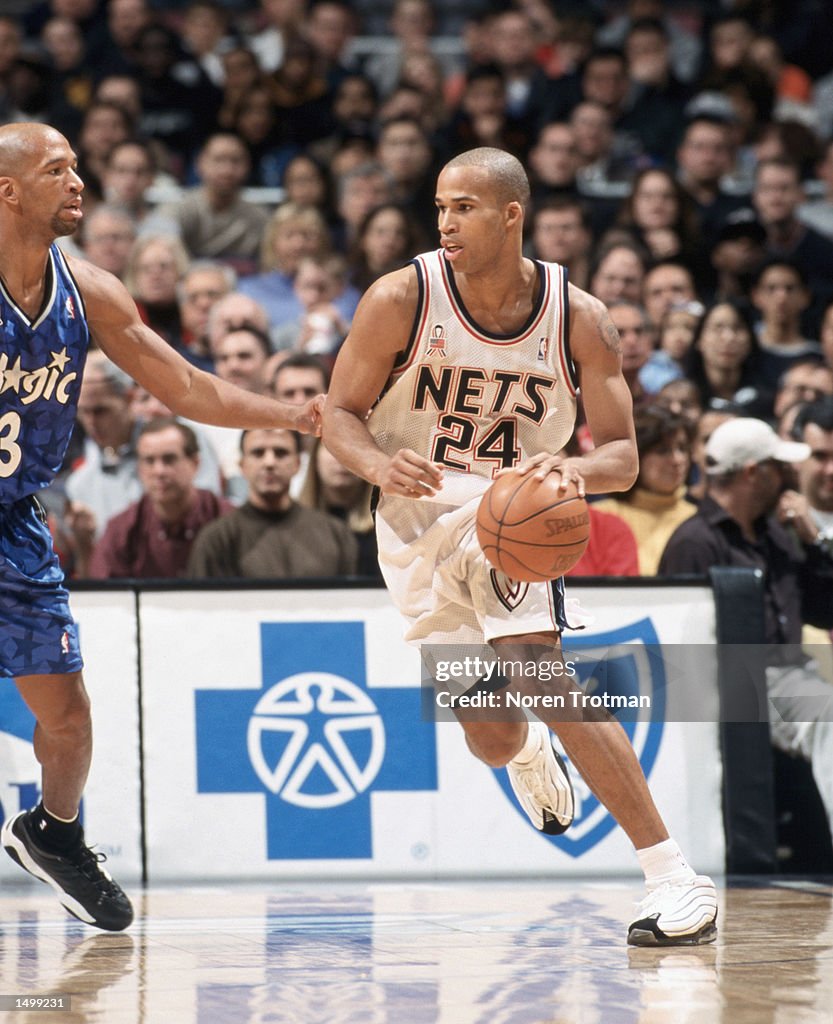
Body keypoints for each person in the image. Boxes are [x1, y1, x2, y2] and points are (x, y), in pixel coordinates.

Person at [322, 146, 718, 946]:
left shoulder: (579, 318)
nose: (444, 223)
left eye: (463, 207)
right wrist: (372, 462)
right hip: (412, 520)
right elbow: (337, 411)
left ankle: (673, 877)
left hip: (510, 516)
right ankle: (530, 746)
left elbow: (622, 457)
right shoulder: (401, 297)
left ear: (511, 214)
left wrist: (566, 472)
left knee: (541, 667)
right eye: (439, 207)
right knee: (491, 732)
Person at [0, 122, 321, 933]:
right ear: (8, 192)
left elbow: (184, 386)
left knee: (67, 717)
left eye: (78, 166)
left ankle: (54, 833)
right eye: (57, 170)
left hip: (12, 524)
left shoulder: (90, 291)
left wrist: (295, 412)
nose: (79, 182)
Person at [658, 417, 833, 841]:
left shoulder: (778, 532)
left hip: (791, 675)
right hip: (739, 685)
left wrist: (814, 544)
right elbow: (680, 649)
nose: (790, 475)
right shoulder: (695, 542)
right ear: (754, 472)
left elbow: (826, 611)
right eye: (780, 466)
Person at [186, 428, 357, 579]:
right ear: (242, 465)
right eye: (258, 453)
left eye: (281, 453)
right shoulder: (217, 539)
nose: (269, 462)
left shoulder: (335, 534)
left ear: (297, 464)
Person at [88, 417, 232, 579]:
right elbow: (106, 599)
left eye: (169, 459)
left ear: (195, 463)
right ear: (139, 468)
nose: (159, 471)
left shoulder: (228, 521)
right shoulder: (121, 531)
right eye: (149, 461)